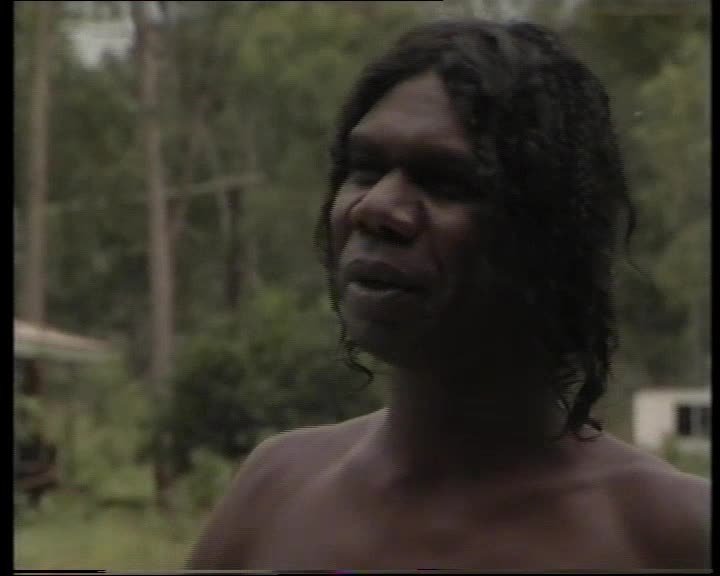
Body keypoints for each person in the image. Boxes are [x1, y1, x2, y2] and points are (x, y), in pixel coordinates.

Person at [188, 18, 710, 570]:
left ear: (552, 235)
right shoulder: (276, 493)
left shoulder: (669, 537)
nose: (375, 208)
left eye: (445, 182)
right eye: (364, 169)